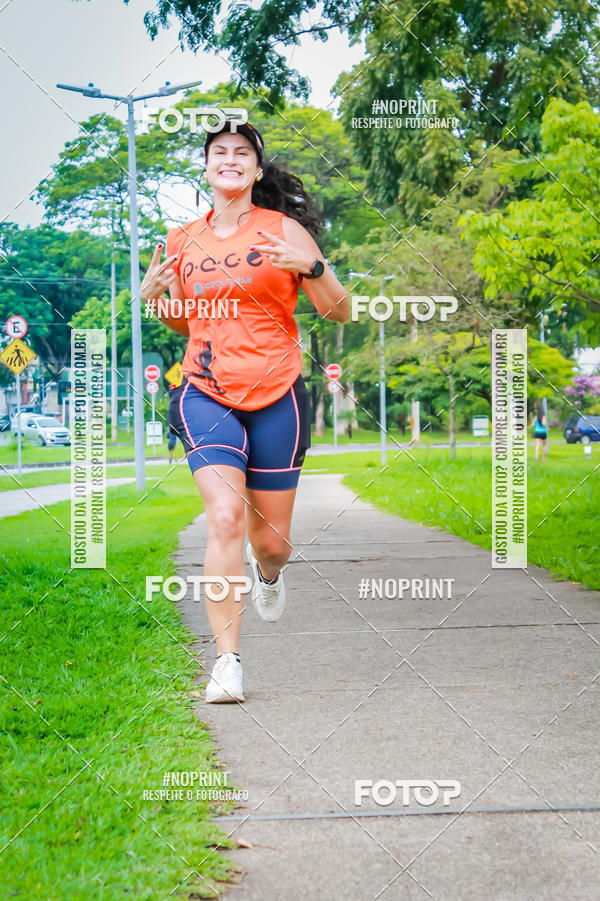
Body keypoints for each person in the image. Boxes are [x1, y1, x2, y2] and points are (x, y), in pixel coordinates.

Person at [140, 119, 348, 703]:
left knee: (271, 542)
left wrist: (310, 266)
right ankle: (227, 662)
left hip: (277, 393)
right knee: (225, 518)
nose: (229, 159)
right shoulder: (181, 240)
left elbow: (340, 312)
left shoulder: (283, 230)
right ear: (207, 168)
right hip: (205, 389)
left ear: (256, 170)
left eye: (241, 153)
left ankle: (271, 574)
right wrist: (156, 299)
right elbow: (185, 321)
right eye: (218, 152)